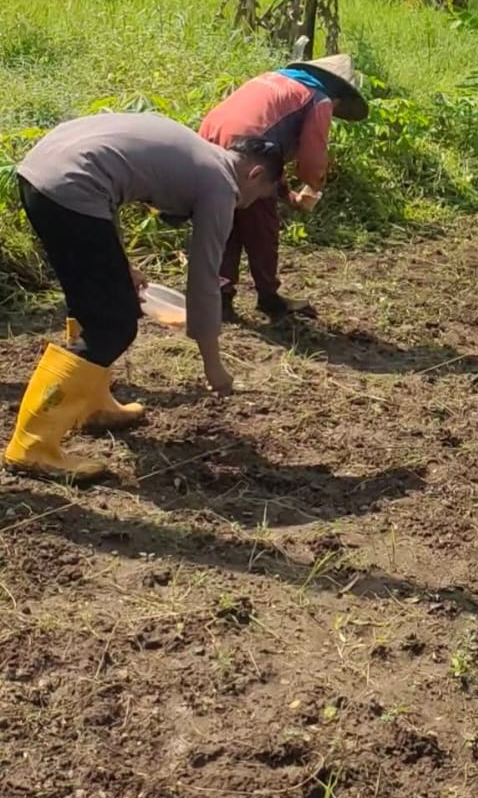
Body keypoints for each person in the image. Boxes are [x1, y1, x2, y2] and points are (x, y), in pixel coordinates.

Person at [4, 112, 283, 481]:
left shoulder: (199, 154)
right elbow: (204, 280)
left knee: (93, 303)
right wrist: (213, 366)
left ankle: (93, 406)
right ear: (255, 174)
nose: (246, 206)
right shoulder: (221, 185)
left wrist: (120, 263)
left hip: (41, 173)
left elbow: (106, 183)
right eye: (258, 196)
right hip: (71, 188)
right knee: (113, 326)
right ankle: (32, 447)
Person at [200, 53, 368, 321]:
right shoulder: (319, 98)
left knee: (226, 221)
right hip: (249, 153)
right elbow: (312, 161)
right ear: (337, 98)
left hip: (209, 140)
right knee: (261, 227)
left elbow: (270, 145)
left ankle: (221, 295)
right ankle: (268, 296)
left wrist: (287, 195)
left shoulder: (273, 80)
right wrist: (313, 189)